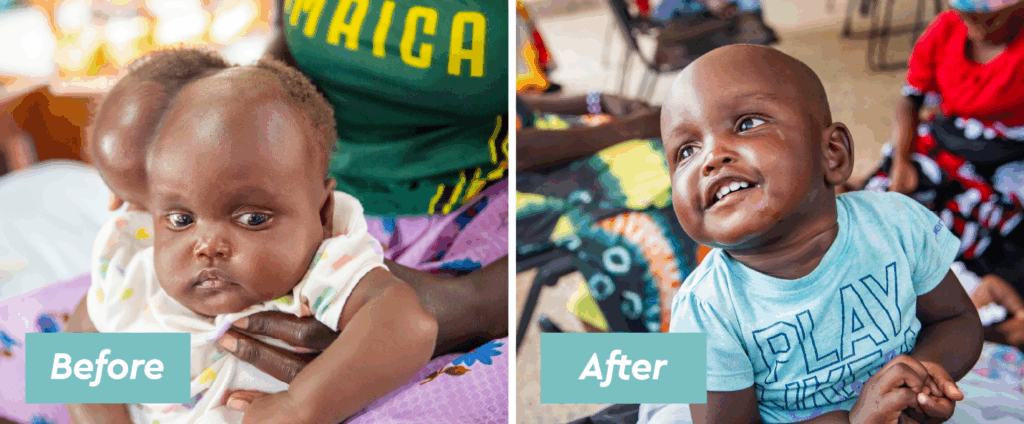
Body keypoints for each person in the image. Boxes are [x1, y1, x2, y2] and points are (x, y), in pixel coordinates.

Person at [75, 48, 438, 424]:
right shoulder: (138, 275)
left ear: (323, 213)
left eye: (251, 218)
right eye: (181, 219)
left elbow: (409, 322)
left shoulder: (318, 271)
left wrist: (299, 406)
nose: (208, 246)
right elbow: (75, 344)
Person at [652, 45, 982, 423]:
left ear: (833, 154)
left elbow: (955, 321)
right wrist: (855, 420)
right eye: (686, 151)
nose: (711, 158)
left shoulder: (895, 225)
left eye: (746, 124)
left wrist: (919, 381)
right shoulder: (708, 309)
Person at [860, 0, 1024, 348]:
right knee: (879, 205)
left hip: (1008, 158)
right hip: (944, 141)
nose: (975, 27)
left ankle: (968, 318)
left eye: (988, 18)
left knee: (969, 234)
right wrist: (902, 163)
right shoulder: (945, 29)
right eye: (968, 17)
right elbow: (910, 100)